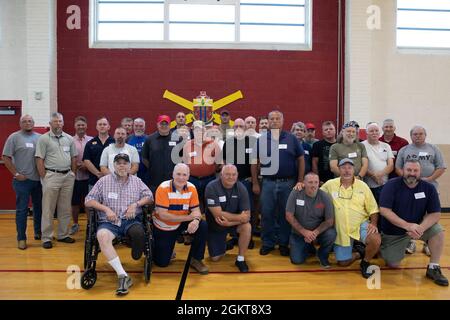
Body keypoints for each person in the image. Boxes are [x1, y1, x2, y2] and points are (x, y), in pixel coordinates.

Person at [85, 153, 153, 295]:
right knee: (102, 236)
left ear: (130, 166)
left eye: (125, 163)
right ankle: (123, 275)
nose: (122, 165)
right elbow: (88, 200)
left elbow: (149, 196)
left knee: (139, 234)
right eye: (118, 163)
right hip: (110, 222)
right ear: (113, 165)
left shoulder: (137, 181)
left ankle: (137, 253)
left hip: (131, 220)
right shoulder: (104, 181)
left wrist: (136, 204)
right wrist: (105, 209)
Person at [379, 159, 448, 286]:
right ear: (403, 171)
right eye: (409, 170)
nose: (412, 173)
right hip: (394, 232)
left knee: (438, 231)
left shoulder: (429, 188)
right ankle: (403, 244)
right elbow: (384, 210)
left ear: (420, 172)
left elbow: (435, 213)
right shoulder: (391, 185)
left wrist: (420, 228)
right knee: (393, 264)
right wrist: (408, 226)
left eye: (415, 170)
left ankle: (433, 268)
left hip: (418, 228)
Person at [251, 110, 305, 257]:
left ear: (282, 120)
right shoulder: (261, 139)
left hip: (288, 183)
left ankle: (283, 243)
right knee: (267, 214)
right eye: (272, 119)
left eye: (277, 118)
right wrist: (255, 183)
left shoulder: (292, 138)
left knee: (285, 215)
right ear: (268, 122)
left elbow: (301, 159)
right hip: (267, 183)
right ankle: (267, 243)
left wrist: (300, 180)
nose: (274, 121)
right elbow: (254, 161)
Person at [321, 158, 381, 278]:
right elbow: (315, 195)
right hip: (341, 230)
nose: (346, 171)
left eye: (349, 168)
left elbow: (373, 209)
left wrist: (373, 224)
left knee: (375, 239)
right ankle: (360, 252)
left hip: (360, 225)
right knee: (343, 263)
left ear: (354, 170)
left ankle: (365, 262)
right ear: (338, 169)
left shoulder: (363, 186)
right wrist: (302, 184)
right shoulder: (330, 184)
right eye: (343, 167)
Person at [395, 125, 447, 255]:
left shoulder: (433, 149)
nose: (418, 136)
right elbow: (398, 168)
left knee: (430, 215)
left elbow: (441, 167)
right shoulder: (404, 149)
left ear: (425, 135)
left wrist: (428, 179)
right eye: (415, 134)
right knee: (408, 213)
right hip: (409, 187)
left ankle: (428, 243)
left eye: (420, 134)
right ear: (411, 136)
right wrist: (408, 180)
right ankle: (410, 242)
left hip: (429, 188)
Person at [152, 163, 209, 274]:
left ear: (188, 176)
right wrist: (189, 217)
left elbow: (196, 210)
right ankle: (169, 245)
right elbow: (163, 215)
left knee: (202, 225)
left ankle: (196, 259)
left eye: (184, 175)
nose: (181, 178)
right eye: (178, 174)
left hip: (180, 221)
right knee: (162, 263)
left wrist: (196, 221)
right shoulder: (163, 188)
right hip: (165, 225)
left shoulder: (191, 188)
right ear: (173, 174)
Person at [35, 112, 77, 249]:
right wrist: (44, 176)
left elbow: (74, 158)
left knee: (65, 208)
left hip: (67, 177)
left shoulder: (69, 139)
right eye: (55, 121)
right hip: (51, 176)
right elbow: (39, 159)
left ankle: (63, 234)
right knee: (48, 208)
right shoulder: (44, 139)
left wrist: (72, 174)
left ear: (63, 123)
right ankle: (46, 237)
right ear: (50, 124)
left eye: (60, 121)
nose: (58, 123)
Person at [2, 115, 42, 249]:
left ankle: (38, 232)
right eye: (24, 121)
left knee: (39, 208)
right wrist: (16, 174)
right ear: (20, 124)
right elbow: (6, 157)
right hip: (22, 182)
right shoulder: (14, 137)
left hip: (38, 181)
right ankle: (21, 238)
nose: (27, 123)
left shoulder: (40, 138)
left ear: (33, 123)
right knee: (22, 210)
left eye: (30, 121)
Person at [205, 165, 252, 272]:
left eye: (233, 174)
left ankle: (240, 259)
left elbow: (247, 216)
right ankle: (223, 244)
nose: (231, 177)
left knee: (247, 227)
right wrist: (240, 217)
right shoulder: (211, 187)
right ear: (221, 175)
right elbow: (218, 214)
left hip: (232, 224)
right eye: (227, 174)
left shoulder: (241, 188)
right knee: (215, 258)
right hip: (216, 224)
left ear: (237, 175)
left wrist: (229, 223)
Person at [285, 172, 336, 268]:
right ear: (304, 183)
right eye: (310, 182)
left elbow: (330, 221)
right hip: (299, 233)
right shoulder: (295, 193)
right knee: (297, 260)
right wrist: (304, 232)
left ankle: (322, 255)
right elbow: (288, 215)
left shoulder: (324, 196)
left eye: (316, 182)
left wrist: (315, 233)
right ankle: (308, 246)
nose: (313, 185)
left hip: (318, 233)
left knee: (331, 234)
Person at [222, 119, 256, 249]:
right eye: (236, 126)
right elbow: (224, 161)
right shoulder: (228, 142)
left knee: (247, 209)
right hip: (230, 183)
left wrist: (255, 182)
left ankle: (249, 236)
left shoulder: (252, 142)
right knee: (231, 209)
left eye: (241, 126)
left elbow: (254, 163)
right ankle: (234, 237)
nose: (239, 128)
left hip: (246, 181)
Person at [183, 120, 220, 212]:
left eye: (201, 129)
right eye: (196, 130)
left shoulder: (213, 144)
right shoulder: (187, 145)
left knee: (210, 204)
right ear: (193, 131)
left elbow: (219, 162)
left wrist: (208, 170)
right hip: (192, 179)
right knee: (193, 204)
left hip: (209, 179)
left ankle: (209, 223)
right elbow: (185, 162)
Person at [142, 115, 181, 195]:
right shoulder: (150, 139)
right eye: (161, 124)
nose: (164, 126)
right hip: (154, 180)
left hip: (173, 180)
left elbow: (182, 157)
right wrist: (154, 167)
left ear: (170, 125)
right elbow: (144, 158)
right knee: (155, 204)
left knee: (172, 203)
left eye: (166, 124)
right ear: (157, 125)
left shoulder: (178, 139)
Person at [70, 116, 92, 235]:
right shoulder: (69, 140)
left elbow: (94, 157)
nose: (81, 127)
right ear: (75, 126)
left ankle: (90, 225)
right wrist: (74, 165)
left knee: (88, 202)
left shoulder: (91, 140)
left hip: (88, 176)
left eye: (83, 125)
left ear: (86, 126)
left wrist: (86, 165)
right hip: (74, 177)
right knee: (74, 203)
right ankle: (75, 224)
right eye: (78, 125)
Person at [362, 122, 394, 203]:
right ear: (366, 133)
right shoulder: (361, 146)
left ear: (380, 133)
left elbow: (391, 165)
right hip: (368, 185)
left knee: (383, 207)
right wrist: (373, 176)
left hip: (384, 184)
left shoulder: (386, 146)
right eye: (371, 131)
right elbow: (361, 165)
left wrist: (378, 175)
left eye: (376, 131)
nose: (374, 133)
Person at [83, 117, 115, 189]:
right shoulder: (90, 143)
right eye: (100, 124)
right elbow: (86, 160)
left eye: (104, 124)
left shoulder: (114, 142)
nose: (102, 126)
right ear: (97, 127)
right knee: (93, 200)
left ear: (108, 127)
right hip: (94, 180)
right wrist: (98, 173)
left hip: (112, 180)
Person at [312, 121, 336, 185]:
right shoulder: (317, 145)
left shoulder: (339, 144)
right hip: (322, 181)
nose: (328, 131)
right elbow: (314, 163)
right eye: (326, 129)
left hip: (338, 179)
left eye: (331, 129)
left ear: (335, 130)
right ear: (322, 132)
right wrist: (317, 179)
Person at [126, 118, 149, 183]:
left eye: (141, 126)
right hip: (131, 173)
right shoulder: (128, 139)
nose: (138, 128)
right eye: (136, 126)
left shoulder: (149, 139)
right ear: (133, 126)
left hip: (146, 174)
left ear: (144, 127)